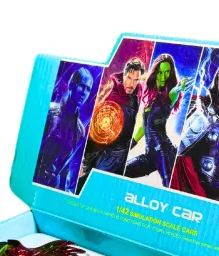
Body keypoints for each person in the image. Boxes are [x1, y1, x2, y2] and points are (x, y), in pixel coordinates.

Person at [170, 57, 219, 199]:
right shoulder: (200, 107)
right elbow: (179, 149)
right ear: (218, 80)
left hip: (216, 187)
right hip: (192, 184)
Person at [76, 58, 146, 191]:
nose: (131, 84)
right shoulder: (112, 98)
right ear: (124, 75)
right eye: (129, 78)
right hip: (106, 155)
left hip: (119, 155)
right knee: (91, 187)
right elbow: (96, 131)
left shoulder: (137, 91)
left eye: (135, 80)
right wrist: (87, 158)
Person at [124, 55, 190, 187]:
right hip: (151, 154)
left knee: (169, 187)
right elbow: (144, 127)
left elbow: (175, 91)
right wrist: (129, 146)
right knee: (123, 170)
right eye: (160, 72)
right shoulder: (150, 96)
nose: (163, 76)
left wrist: (179, 88)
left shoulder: (171, 93)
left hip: (163, 152)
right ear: (155, 73)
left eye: (167, 72)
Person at [34, 67, 94, 190]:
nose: (84, 92)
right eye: (82, 86)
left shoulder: (79, 130)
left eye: (88, 89)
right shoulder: (49, 112)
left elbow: (65, 166)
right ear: (72, 85)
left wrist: (61, 192)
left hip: (51, 186)